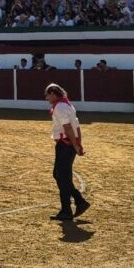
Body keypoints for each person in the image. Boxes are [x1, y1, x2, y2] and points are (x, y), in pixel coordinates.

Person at [45, 83, 90, 221]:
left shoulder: (60, 106)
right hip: (68, 144)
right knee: (61, 175)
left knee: (61, 176)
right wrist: (77, 144)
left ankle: (68, 209)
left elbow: (68, 127)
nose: (46, 98)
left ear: (53, 93)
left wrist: (76, 145)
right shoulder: (67, 105)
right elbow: (76, 126)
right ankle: (78, 202)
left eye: (47, 95)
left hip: (65, 144)